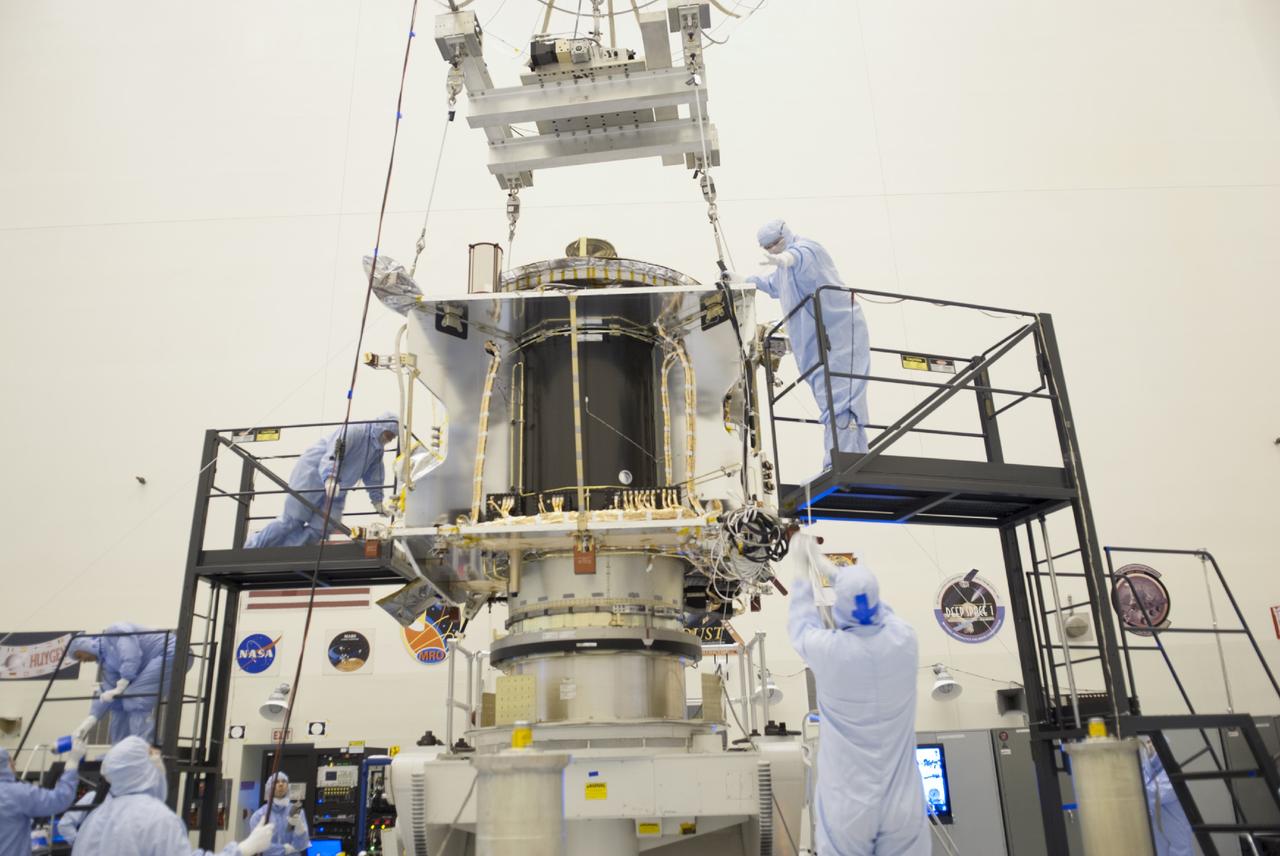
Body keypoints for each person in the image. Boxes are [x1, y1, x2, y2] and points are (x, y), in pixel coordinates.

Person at [787, 540, 929, 856]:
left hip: (848, 805)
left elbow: (800, 625)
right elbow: (877, 608)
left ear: (840, 607)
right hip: (902, 805)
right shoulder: (904, 640)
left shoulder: (830, 651)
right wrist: (836, 574)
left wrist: (802, 572)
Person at [745, 219, 871, 464]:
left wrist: (785, 258)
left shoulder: (808, 249)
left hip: (839, 334)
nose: (772, 250)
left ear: (786, 235)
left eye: (775, 244)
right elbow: (772, 284)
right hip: (813, 343)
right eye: (767, 248)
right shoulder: (783, 269)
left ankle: (845, 459)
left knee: (843, 396)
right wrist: (745, 279)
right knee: (829, 400)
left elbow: (800, 257)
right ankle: (844, 456)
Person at [71, 736, 275, 856]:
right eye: (153, 756)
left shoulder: (95, 817)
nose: (160, 762)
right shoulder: (156, 819)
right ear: (140, 768)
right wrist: (243, 849)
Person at [245, 414, 399, 548]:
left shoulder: (376, 450)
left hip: (339, 486)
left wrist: (377, 502)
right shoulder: (356, 431)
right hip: (313, 474)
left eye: (392, 437)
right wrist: (329, 477)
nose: (389, 439)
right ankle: (253, 546)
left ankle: (286, 551)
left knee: (322, 528)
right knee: (292, 521)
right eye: (388, 434)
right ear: (380, 425)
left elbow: (374, 476)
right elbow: (334, 452)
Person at [68, 623, 181, 744]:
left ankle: (143, 746)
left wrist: (125, 679)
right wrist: (91, 718)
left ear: (85, 645)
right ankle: (119, 748)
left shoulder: (114, 632)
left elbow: (131, 654)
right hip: (160, 657)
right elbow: (108, 689)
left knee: (135, 696)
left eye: (79, 656)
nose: (82, 661)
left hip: (171, 651)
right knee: (118, 703)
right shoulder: (108, 662)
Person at [0, 742, 83, 856]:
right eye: (10, 760)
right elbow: (60, 799)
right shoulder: (17, 793)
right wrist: (72, 763)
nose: (14, 763)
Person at [1140, 737, 1193, 856]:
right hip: (1156, 835)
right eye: (1148, 742)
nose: (1149, 745)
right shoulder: (1145, 771)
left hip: (1175, 835)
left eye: (1153, 742)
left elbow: (1153, 794)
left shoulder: (1172, 773)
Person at [246, 772, 309, 856]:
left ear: (287, 786)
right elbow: (258, 846)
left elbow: (301, 845)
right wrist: (284, 849)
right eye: (276, 782)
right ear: (269, 787)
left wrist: (300, 831)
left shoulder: (296, 812)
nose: (280, 784)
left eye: (284, 781)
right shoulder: (259, 816)